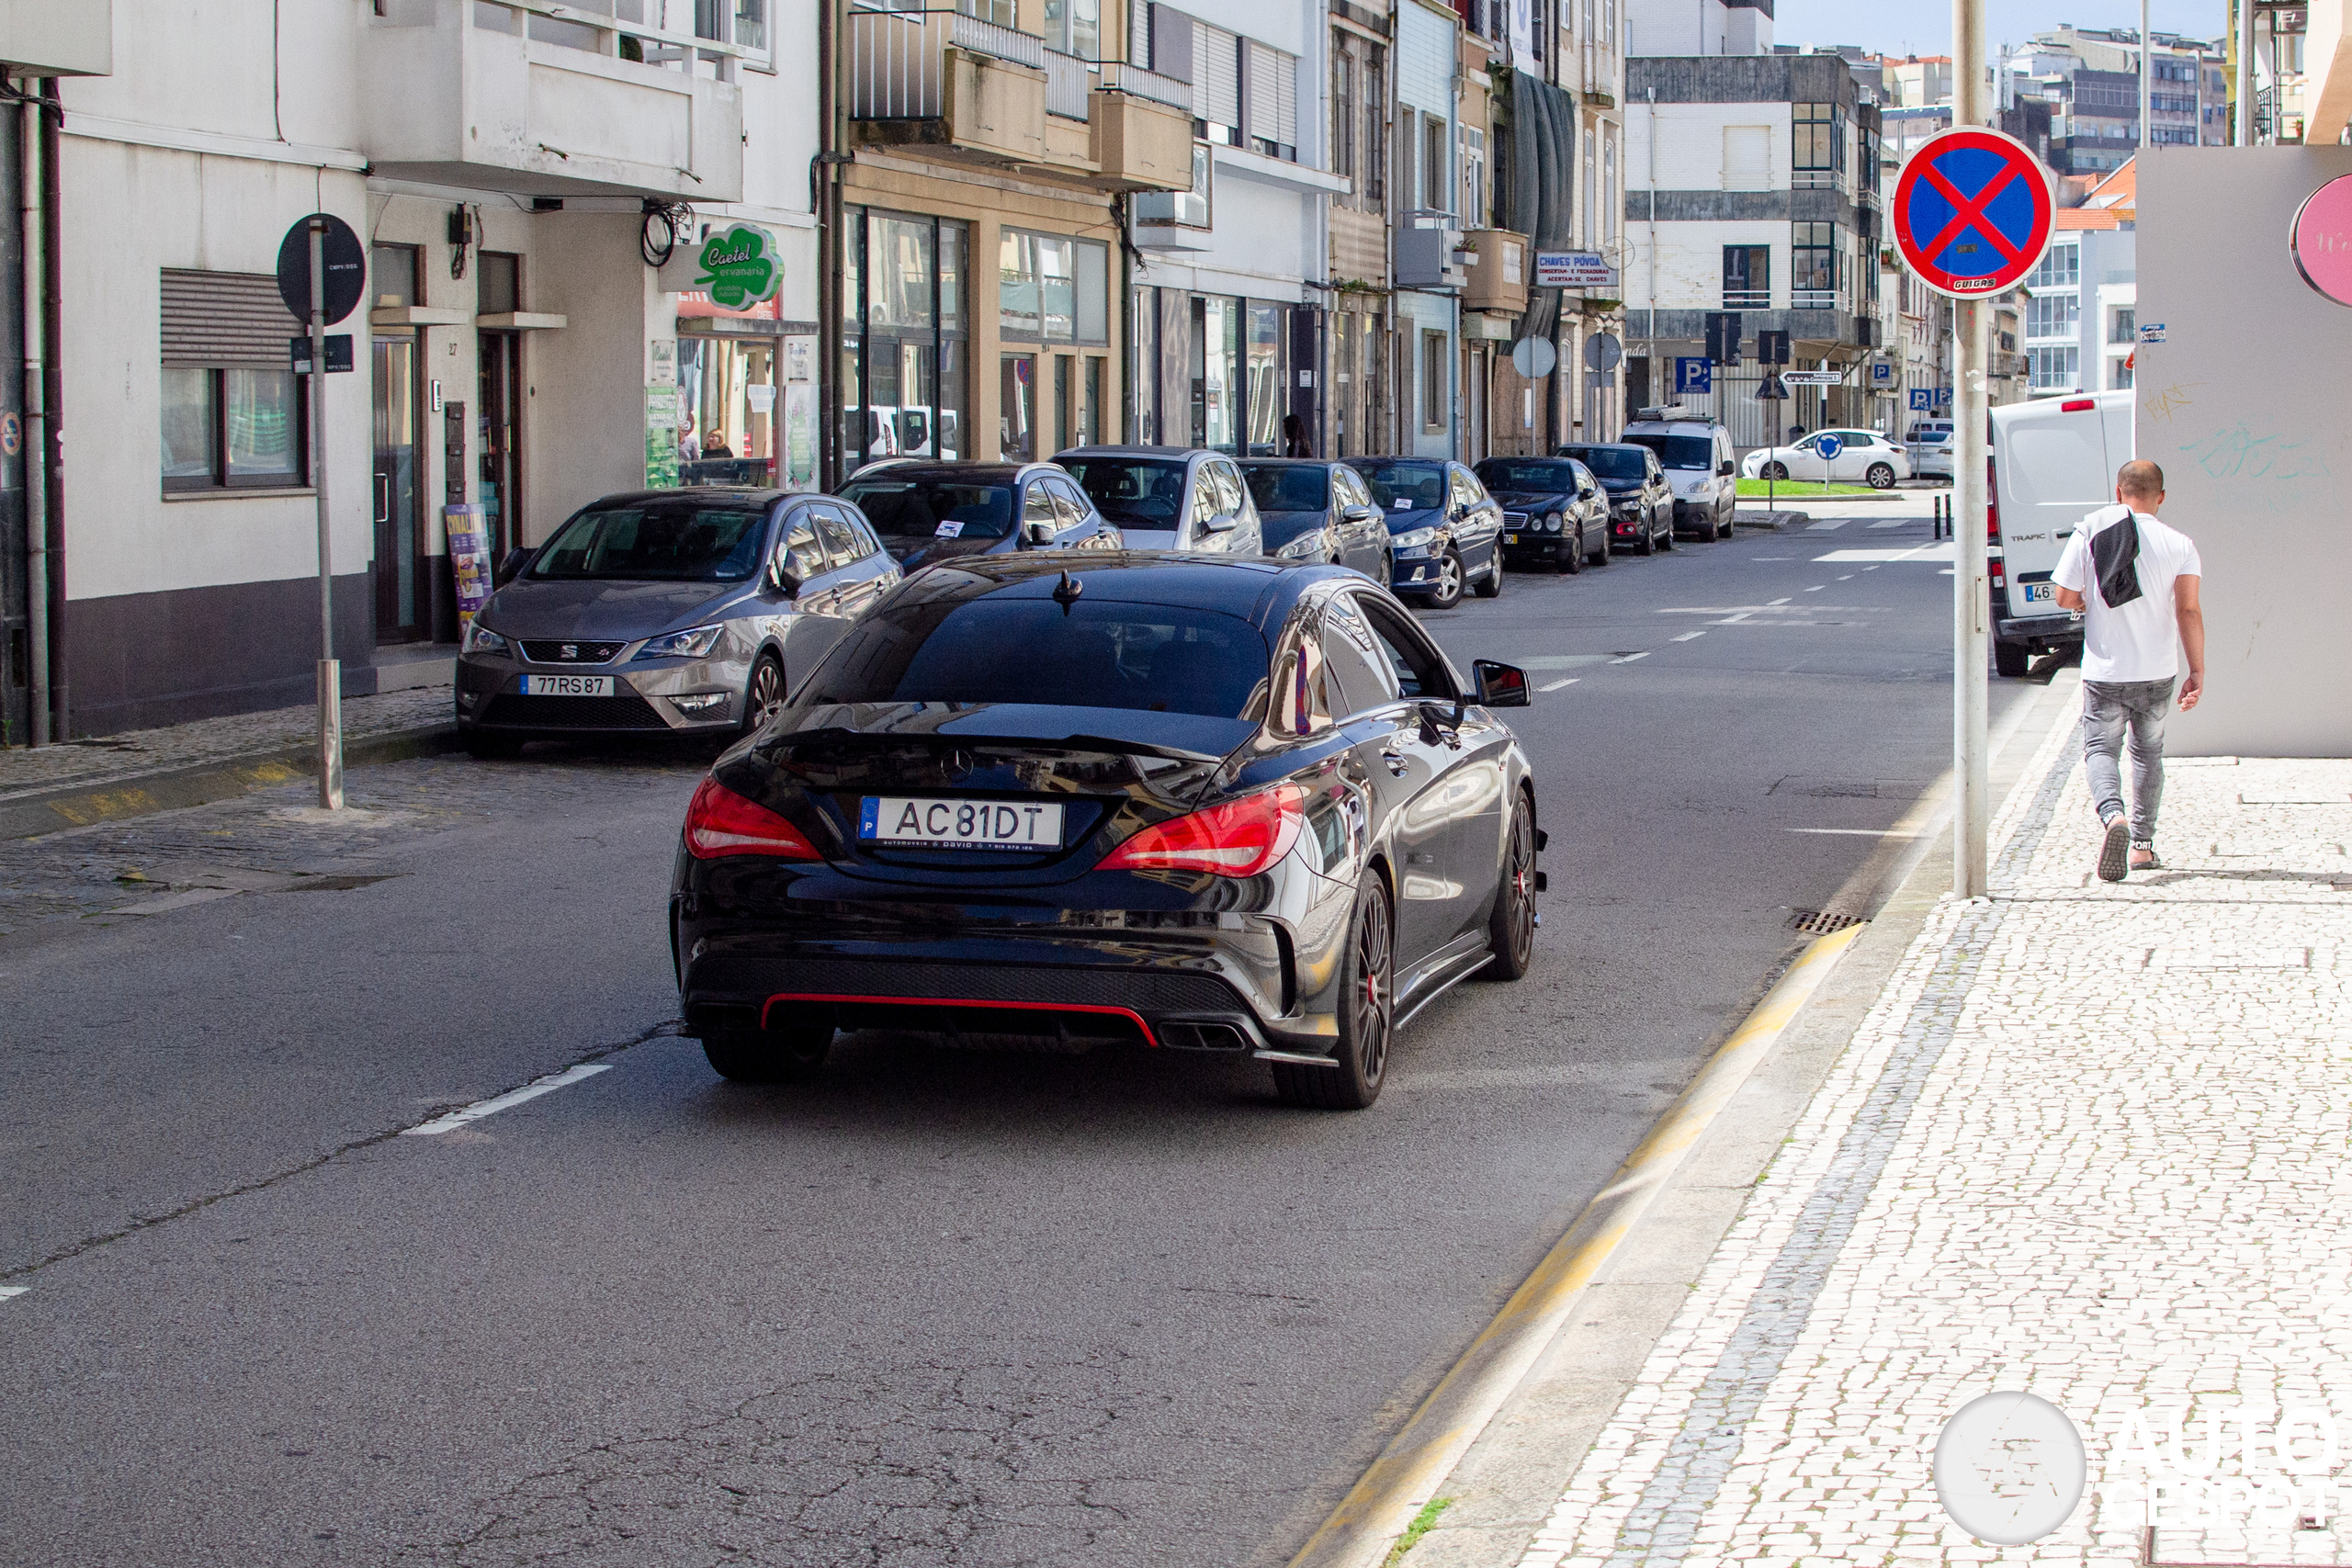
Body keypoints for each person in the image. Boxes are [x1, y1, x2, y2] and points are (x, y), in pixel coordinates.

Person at [2052, 458, 2205, 881]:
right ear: (2161, 497)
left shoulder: (2093, 532)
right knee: (2148, 753)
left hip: (2105, 669)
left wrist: (2088, 603)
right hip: (2157, 670)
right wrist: (2198, 670)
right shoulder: (2181, 544)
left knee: (2101, 750)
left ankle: (2113, 817)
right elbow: (2188, 610)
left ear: (2118, 493)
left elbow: (2064, 596)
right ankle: (2140, 846)